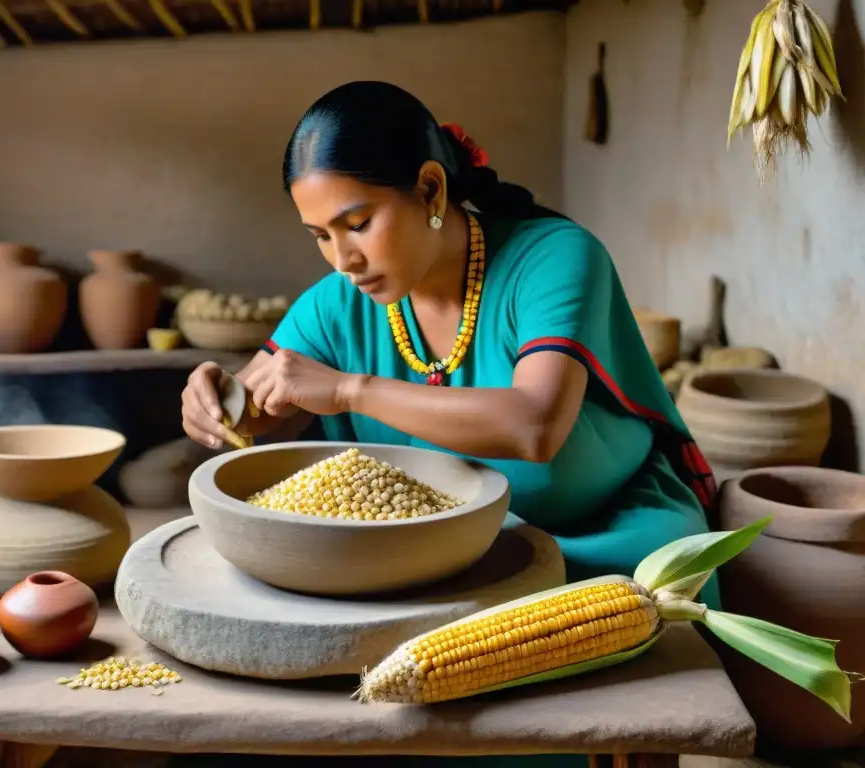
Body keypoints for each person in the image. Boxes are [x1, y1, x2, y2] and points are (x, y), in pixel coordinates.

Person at [180, 81, 719, 767]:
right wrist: (218, 401)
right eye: (319, 236)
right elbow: (258, 403)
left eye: (357, 223)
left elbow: (535, 426)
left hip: (597, 547)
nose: (343, 260)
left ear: (431, 191)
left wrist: (349, 389)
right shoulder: (339, 303)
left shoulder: (553, 259)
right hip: (431, 567)